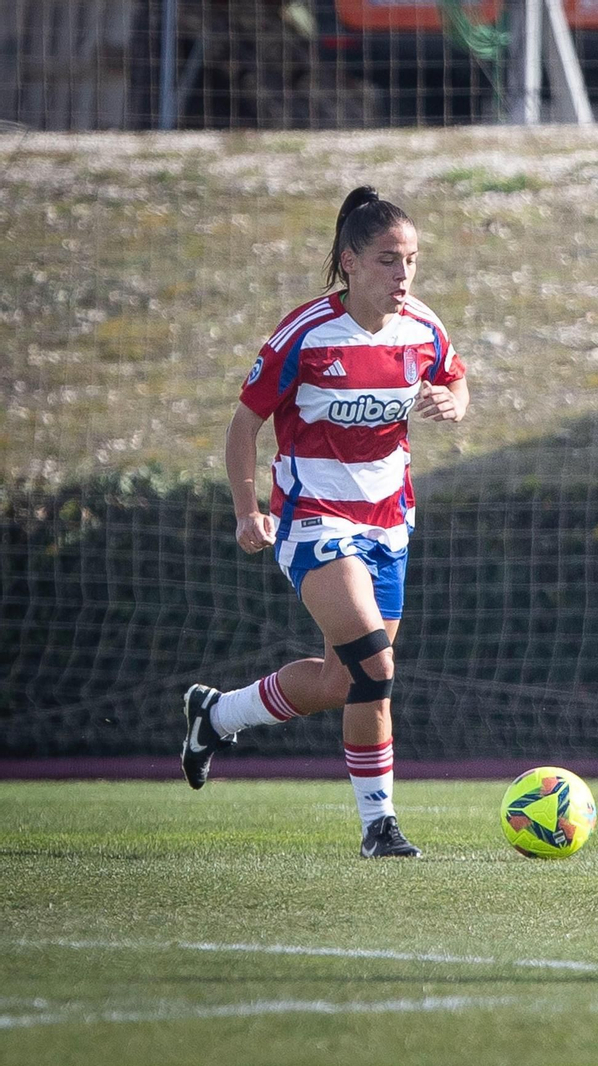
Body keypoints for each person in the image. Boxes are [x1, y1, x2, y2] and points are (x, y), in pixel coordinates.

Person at [180, 186, 469, 859]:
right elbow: (244, 424)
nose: (404, 276)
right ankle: (379, 826)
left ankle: (216, 715)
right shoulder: (305, 334)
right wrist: (247, 510)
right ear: (349, 262)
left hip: (389, 521)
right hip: (312, 517)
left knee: (348, 681)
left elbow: (456, 378)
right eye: (389, 261)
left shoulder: (422, 328)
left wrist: (451, 401)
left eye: (413, 262)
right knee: (376, 664)